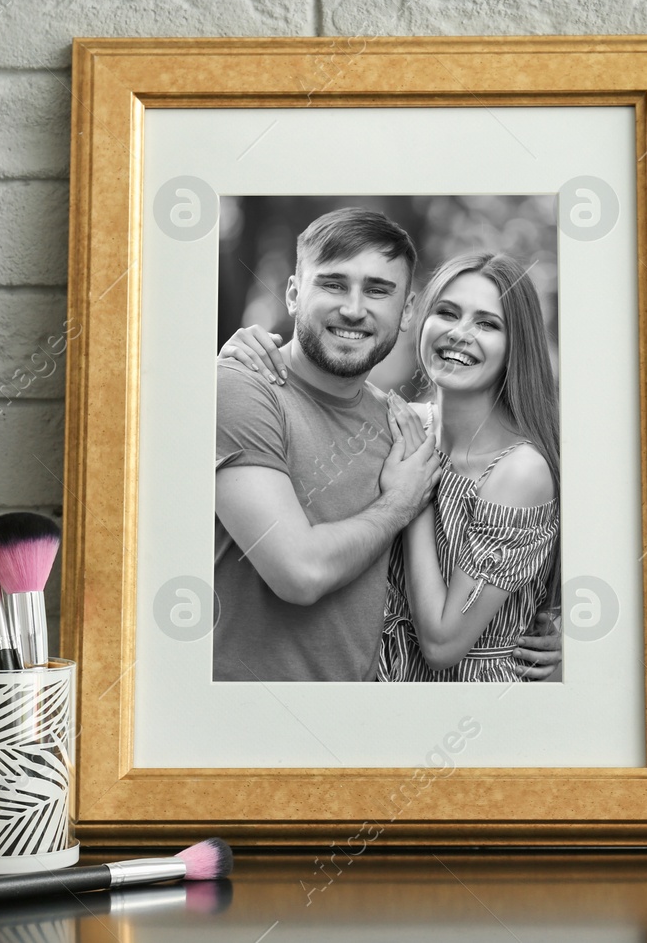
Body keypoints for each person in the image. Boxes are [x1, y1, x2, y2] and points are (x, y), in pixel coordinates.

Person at [214, 208, 561, 681]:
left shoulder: (409, 434)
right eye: (334, 284)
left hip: (447, 711)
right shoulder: (404, 424)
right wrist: (404, 499)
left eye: (488, 323)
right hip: (294, 706)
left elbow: (453, 632)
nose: (355, 308)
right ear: (294, 294)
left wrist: (567, 631)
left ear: (404, 310)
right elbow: (301, 572)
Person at [377, 253, 561, 682]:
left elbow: (442, 644)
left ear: (517, 343)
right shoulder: (404, 423)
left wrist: (412, 501)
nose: (460, 334)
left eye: (487, 323)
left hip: (469, 711)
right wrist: (243, 355)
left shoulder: (519, 473)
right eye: (447, 313)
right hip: (378, 694)